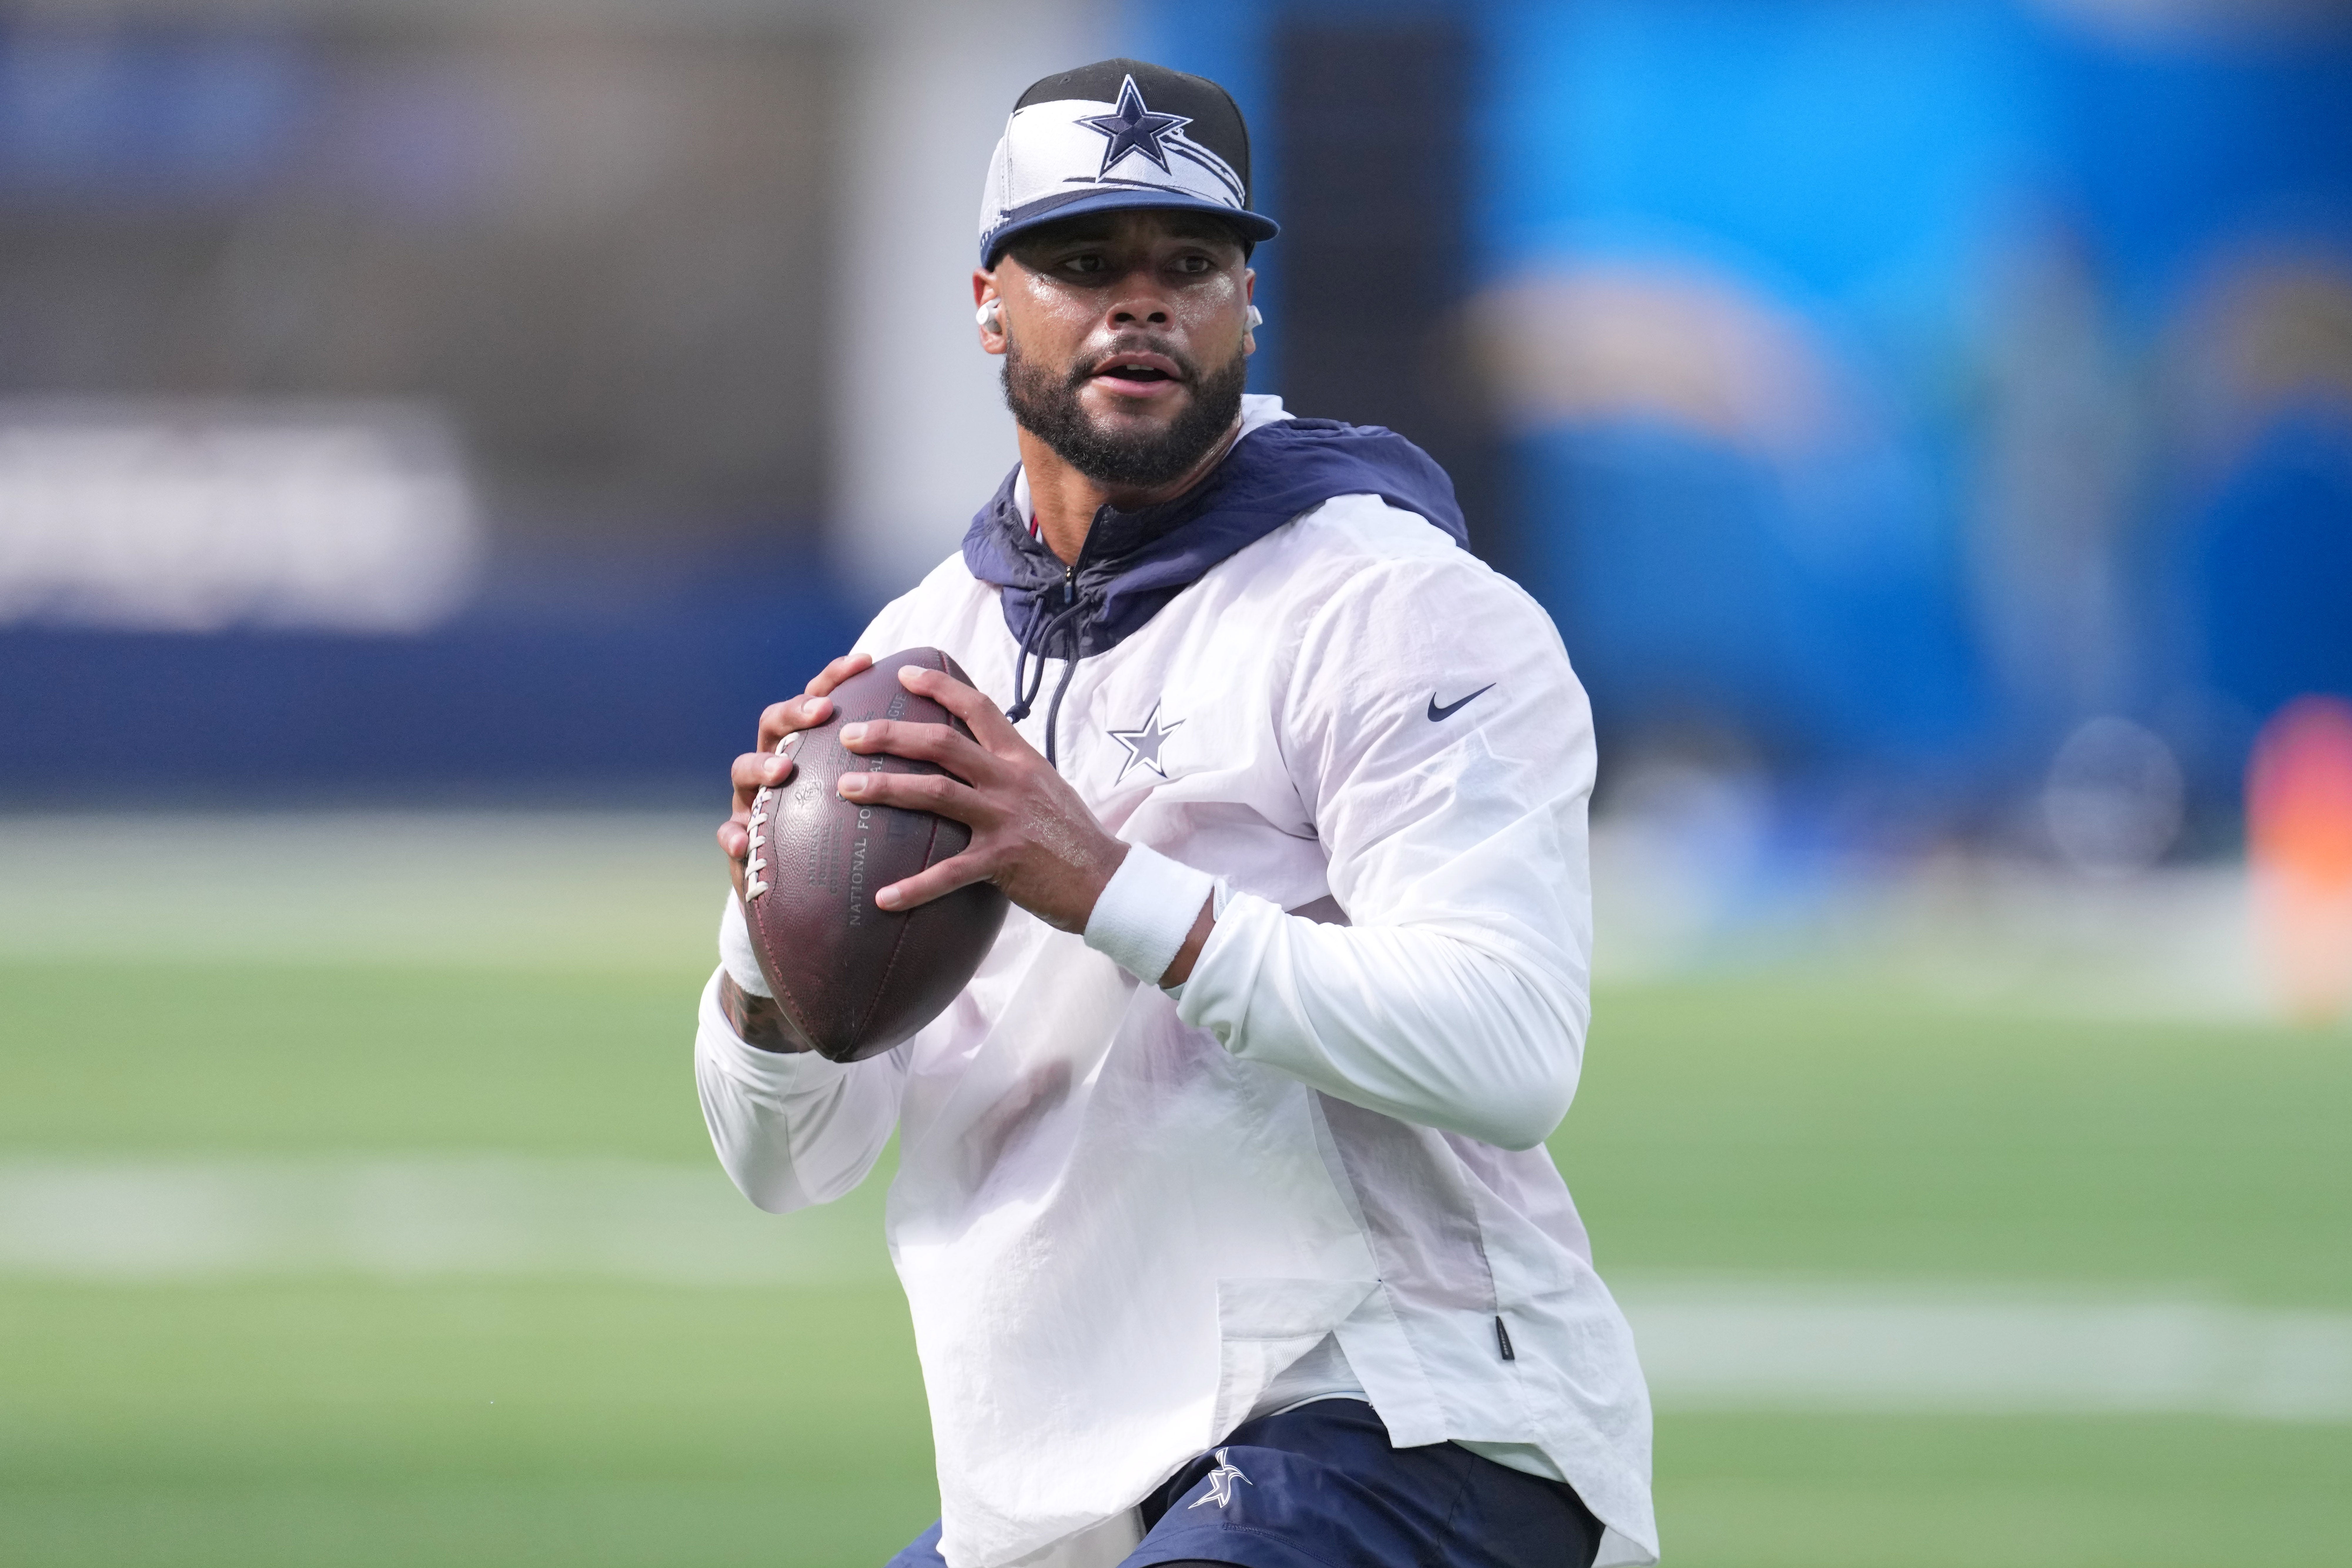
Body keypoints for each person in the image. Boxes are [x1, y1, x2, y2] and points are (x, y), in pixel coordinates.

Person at [697, 58, 1655, 1568]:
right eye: (1084, 263)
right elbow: (789, 1161)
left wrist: (1108, 884)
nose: (1140, 304)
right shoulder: (915, 649)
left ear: (1247, 306)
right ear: (988, 300)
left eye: (1190, 265)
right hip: (1067, 1479)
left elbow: (1510, 1048)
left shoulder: (1397, 605)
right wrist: (763, 953)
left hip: (1402, 1419)